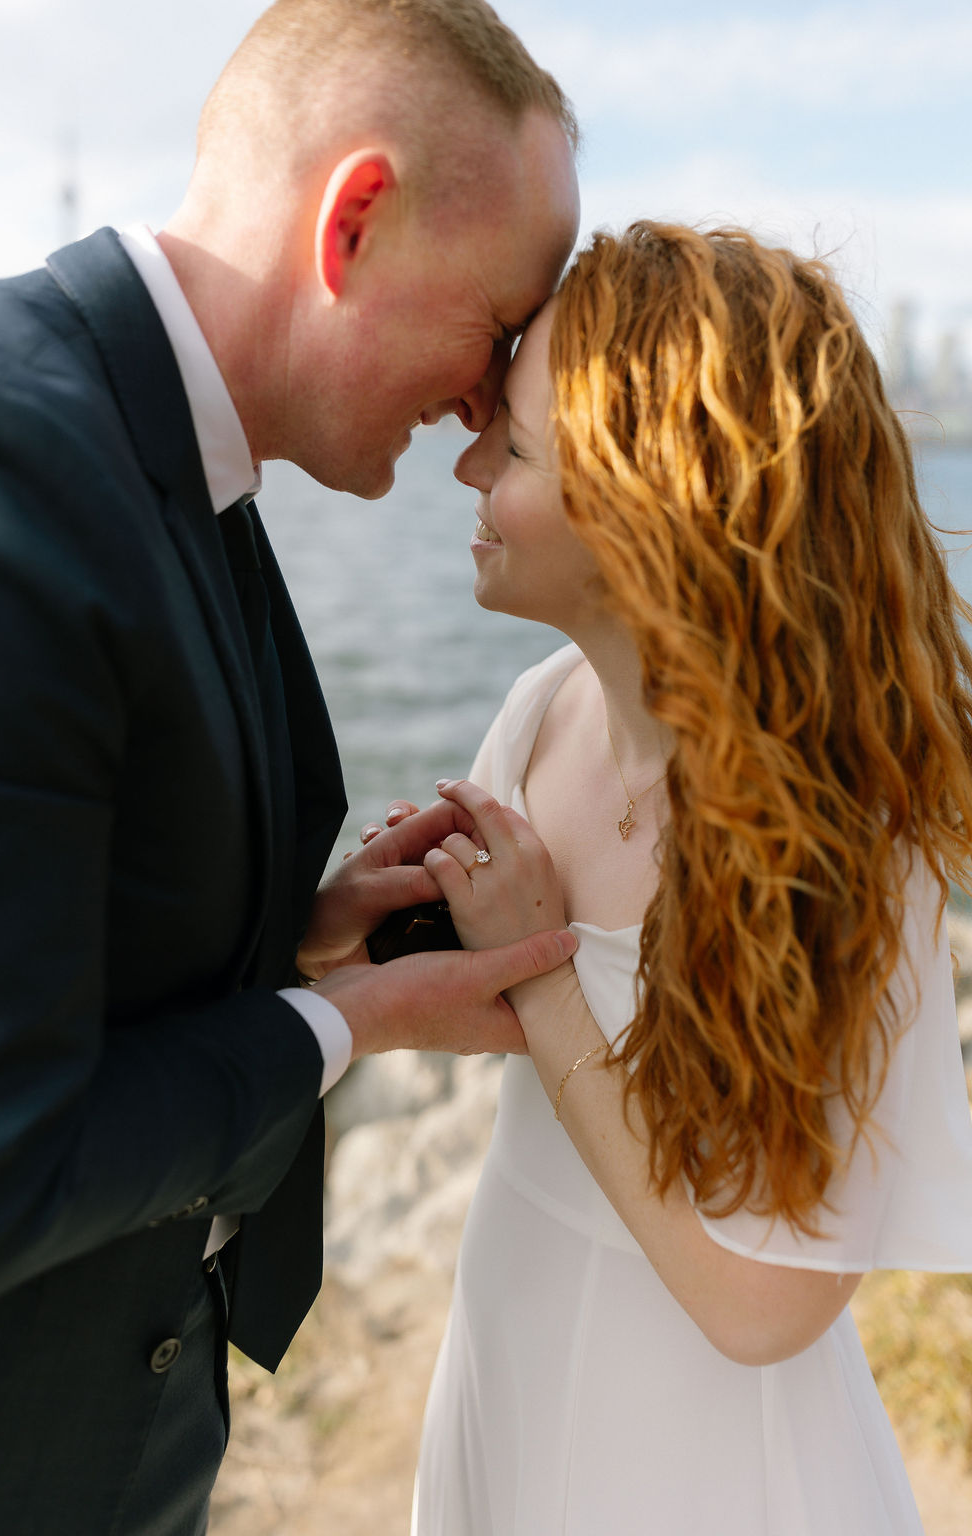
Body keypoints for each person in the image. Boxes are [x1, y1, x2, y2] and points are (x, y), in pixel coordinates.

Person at [0, 3, 580, 1533]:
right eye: (499, 328)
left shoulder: (183, 457)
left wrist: (298, 930)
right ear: (353, 217)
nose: (492, 404)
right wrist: (343, 1023)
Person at [406, 222, 972, 1534]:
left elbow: (764, 1306)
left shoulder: (849, 839)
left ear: (646, 514)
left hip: (697, 1470)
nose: (467, 462)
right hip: (511, 1353)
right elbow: (459, 998)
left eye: (519, 448)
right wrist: (347, 936)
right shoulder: (543, 712)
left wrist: (538, 971)